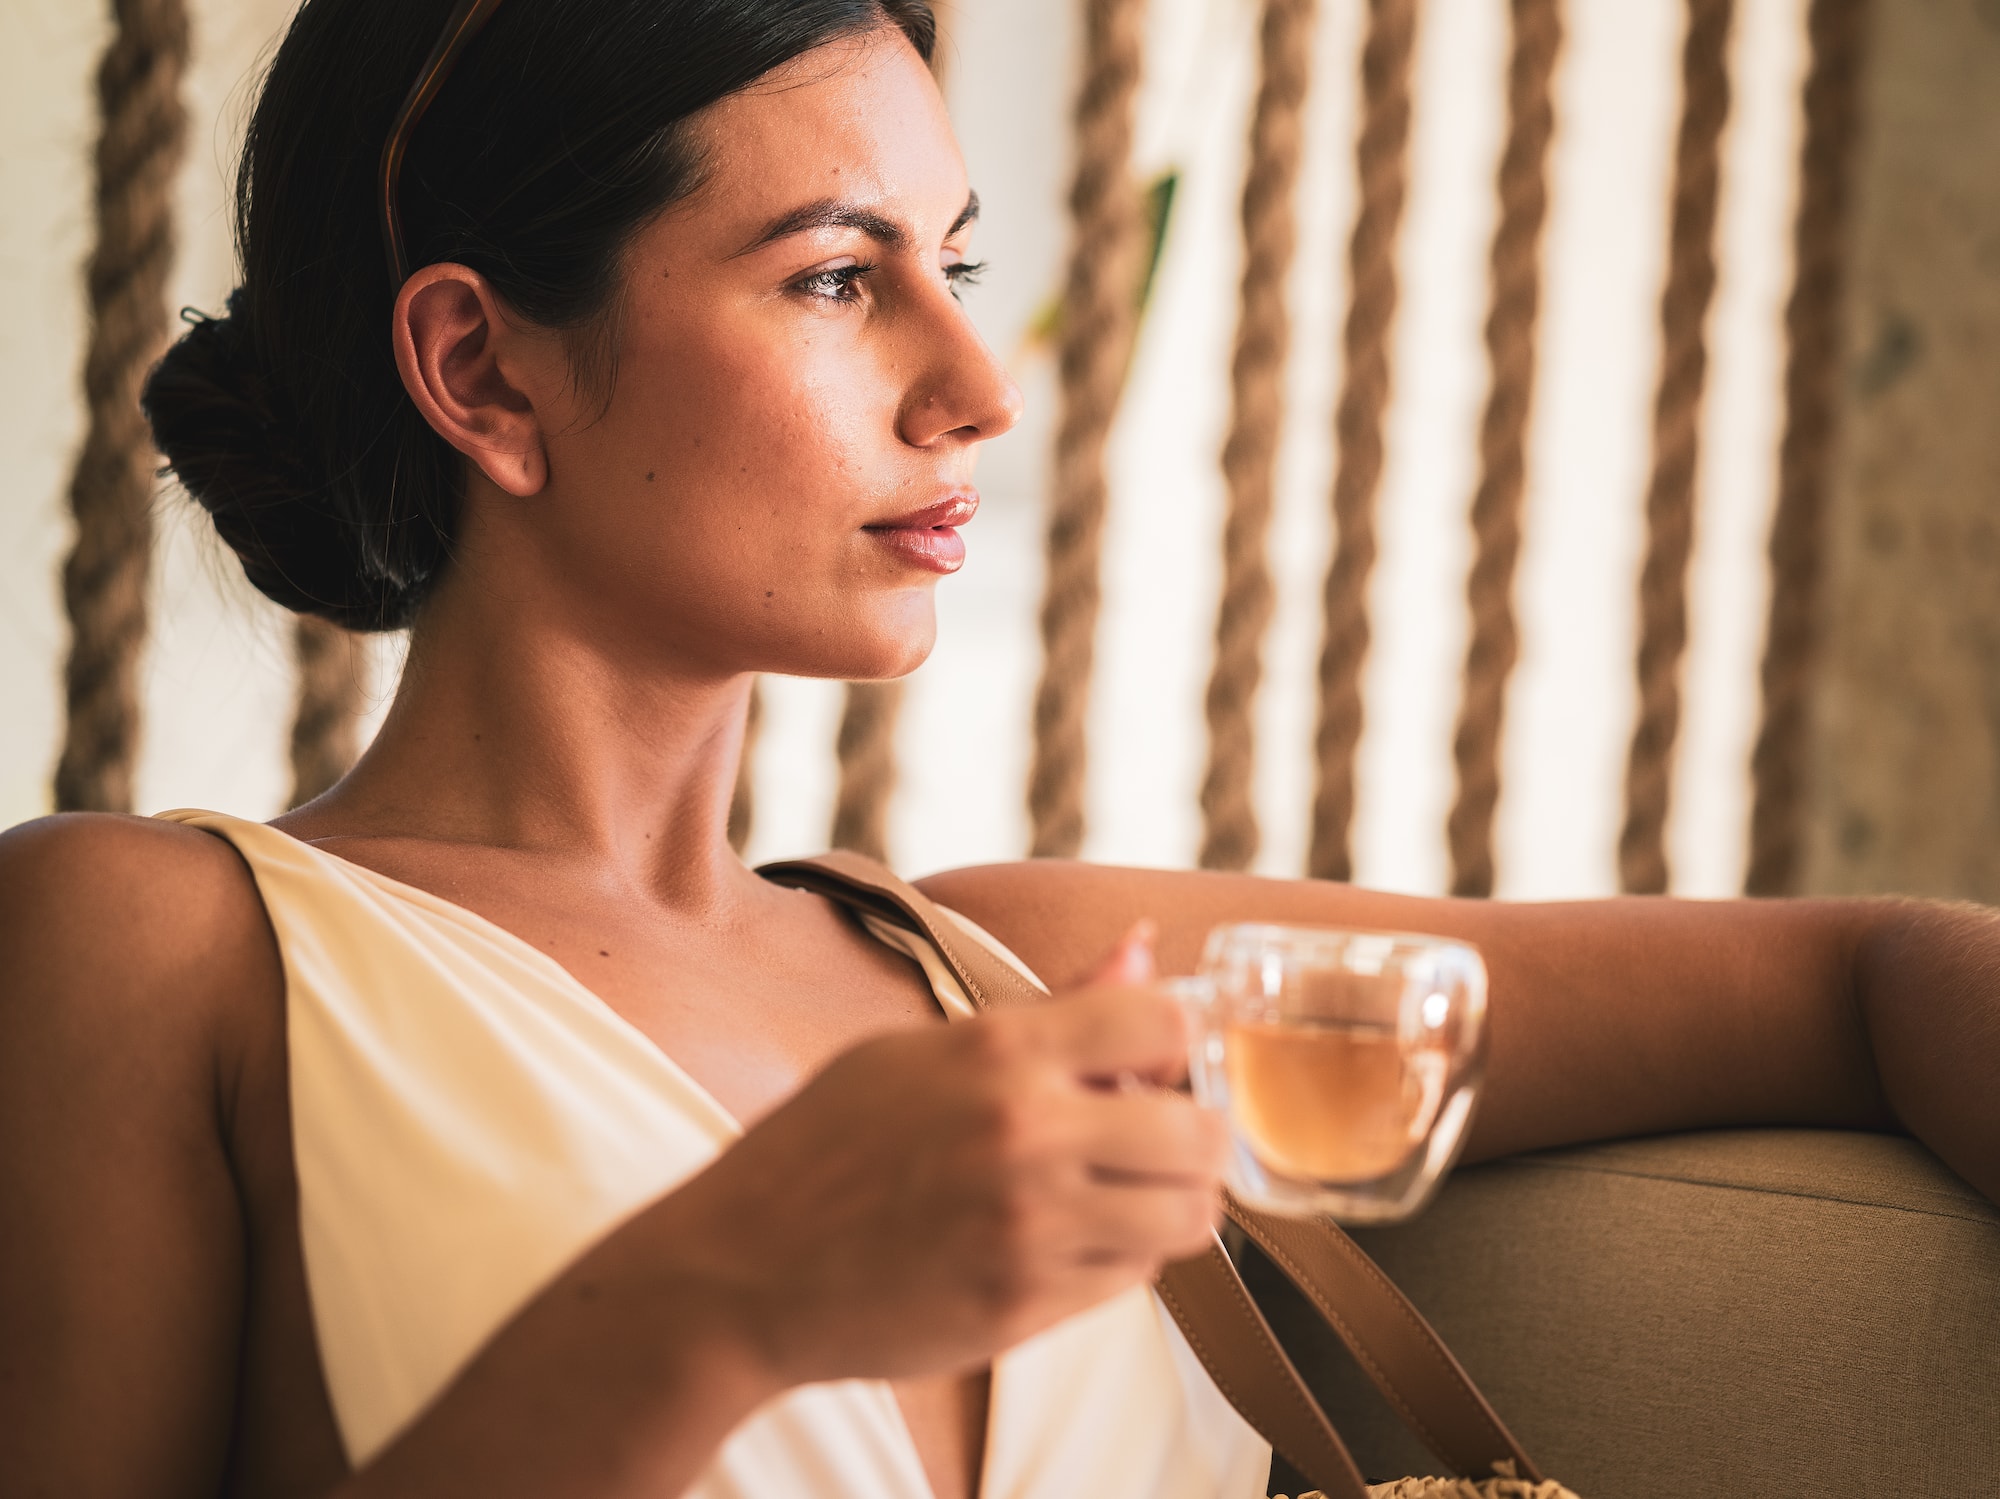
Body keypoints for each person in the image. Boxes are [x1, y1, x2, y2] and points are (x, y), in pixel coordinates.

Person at [1, 2, 1994, 1496]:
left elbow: (1868, 975)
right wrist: (735, 1289)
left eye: (948, 268)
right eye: (835, 278)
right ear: (480, 367)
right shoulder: (158, 951)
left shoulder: (1021, 975)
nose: (976, 388)